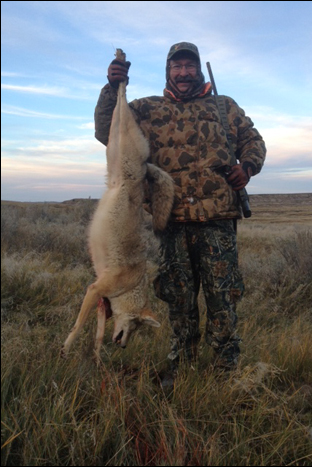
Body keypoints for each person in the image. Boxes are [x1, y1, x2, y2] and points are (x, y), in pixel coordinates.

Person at [94, 42, 266, 373]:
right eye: (177, 67)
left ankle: (224, 367)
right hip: (169, 221)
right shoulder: (146, 109)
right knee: (179, 299)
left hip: (217, 220)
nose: (183, 72)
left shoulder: (223, 106)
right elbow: (107, 132)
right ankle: (181, 365)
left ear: (198, 69)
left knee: (223, 297)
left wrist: (247, 166)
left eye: (189, 66)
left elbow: (253, 141)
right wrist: (111, 87)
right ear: (168, 71)